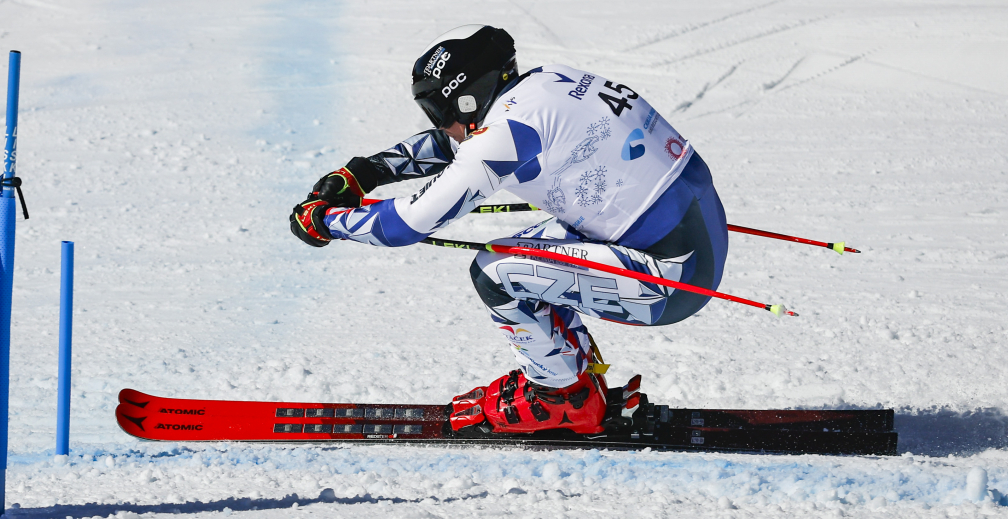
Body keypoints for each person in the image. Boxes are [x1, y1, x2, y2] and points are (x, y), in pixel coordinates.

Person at [290, 25, 728, 435]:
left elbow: (407, 224)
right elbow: (456, 143)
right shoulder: (548, 80)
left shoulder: (503, 135)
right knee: (526, 254)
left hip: (672, 283)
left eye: (437, 110)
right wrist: (363, 173)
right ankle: (572, 373)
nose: (439, 123)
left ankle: (564, 398)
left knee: (494, 271)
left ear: (464, 101)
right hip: (692, 238)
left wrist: (325, 222)